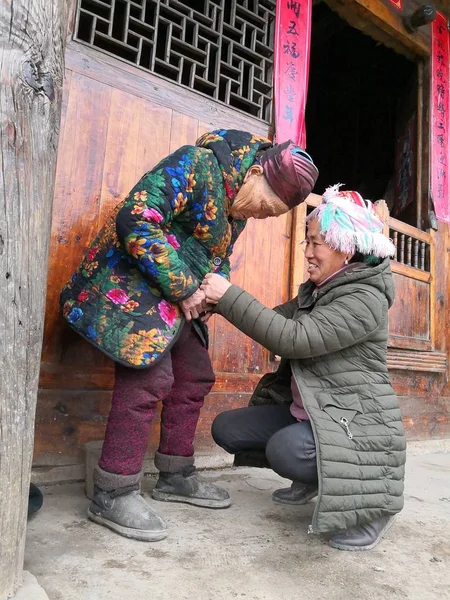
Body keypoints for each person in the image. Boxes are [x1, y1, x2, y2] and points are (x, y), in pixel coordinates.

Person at [60, 130, 319, 542]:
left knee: (195, 374)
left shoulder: (238, 205)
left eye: (271, 215)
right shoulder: (197, 165)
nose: (261, 216)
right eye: (266, 206)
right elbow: (136, 216)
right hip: (128, 282)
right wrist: (184, 286)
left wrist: (217, 292)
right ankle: (113, 491)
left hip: (178, 299)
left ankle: (175, 475)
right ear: (254, 173)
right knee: (150, 377)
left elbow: (219, 259)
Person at [201, 185, 406, 552]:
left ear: (345, 246)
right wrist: (217, 305)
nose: (308, 253)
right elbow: (276, 320)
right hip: (314, 413)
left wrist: (228, 295)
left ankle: (374, 507)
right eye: (306, 242)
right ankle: (317, 480)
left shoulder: (364, 298)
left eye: (317, 244)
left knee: (286, 450)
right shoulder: (320, 289)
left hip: (355, 424)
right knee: (227, 429)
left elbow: (292, 338)